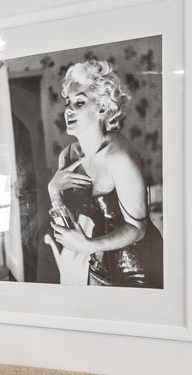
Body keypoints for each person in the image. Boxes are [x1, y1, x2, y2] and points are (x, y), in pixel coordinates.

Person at [43, 59, 163, 288]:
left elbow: (137, 229)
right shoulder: (68, 157)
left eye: (79, 102)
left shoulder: (118, 157)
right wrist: (54, 193)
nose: (68, 109)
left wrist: (89, 246)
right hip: (97, 267)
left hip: (139, 269)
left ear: (101, 107)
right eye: (68, 102)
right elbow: (70, 229)